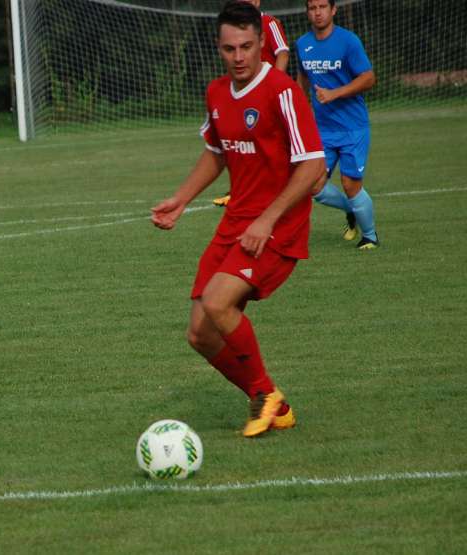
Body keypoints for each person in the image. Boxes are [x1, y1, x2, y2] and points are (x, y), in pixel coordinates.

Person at [151, 1, 325, 437]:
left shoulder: (283, 91)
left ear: (261, 43)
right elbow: (216, 153)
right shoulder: (216, 93)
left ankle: (264, 395)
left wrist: (267, 220)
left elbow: (312, 166)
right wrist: (180, 199)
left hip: (277, 226)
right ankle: (274, 403)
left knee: (217, 302)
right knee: (200, 334)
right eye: (230, 48)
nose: (239, 56)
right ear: (219, 48)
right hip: (235, 223)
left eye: (247, 46)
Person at [297, 0, 379, 249]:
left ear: (333, 10)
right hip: (322, 129)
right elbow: (302, 78)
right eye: (312, 8)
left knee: (350, 184)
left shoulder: (348, 41)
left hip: (353, 128)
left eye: (322, 6)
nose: (317, 12)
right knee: (313, 185)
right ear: (308, 12)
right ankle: (351, 210)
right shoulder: (303, 44)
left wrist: (335, 93)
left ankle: (370, 236)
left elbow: (368, 78)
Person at [212, 0, 290, 208]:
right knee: (240, 141)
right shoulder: (235, 28)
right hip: (246, 96)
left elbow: (282, 52)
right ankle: (238, 190)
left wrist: (274, 84)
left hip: (266, 97)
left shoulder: (268, 22)